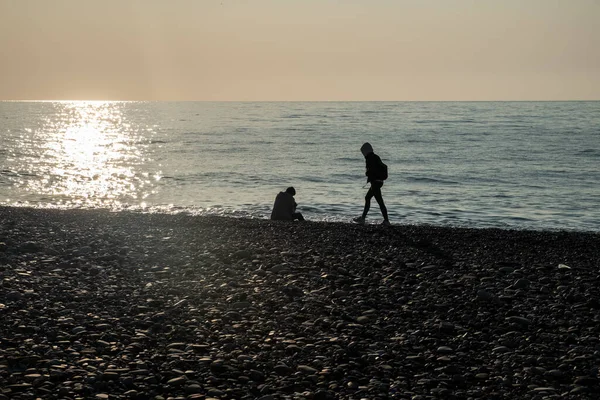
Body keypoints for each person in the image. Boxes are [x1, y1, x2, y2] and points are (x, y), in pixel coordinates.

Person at [353, 142, 390, 226]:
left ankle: (386, 221)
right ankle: (363, 218)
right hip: (379, 182)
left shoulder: (370, 158)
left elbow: (370, 170)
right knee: (368, 198)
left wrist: (367, 174)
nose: (363, 154)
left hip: (375, 183)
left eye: (363, 152)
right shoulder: (376, 157)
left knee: (379, 201)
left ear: (365, 151)